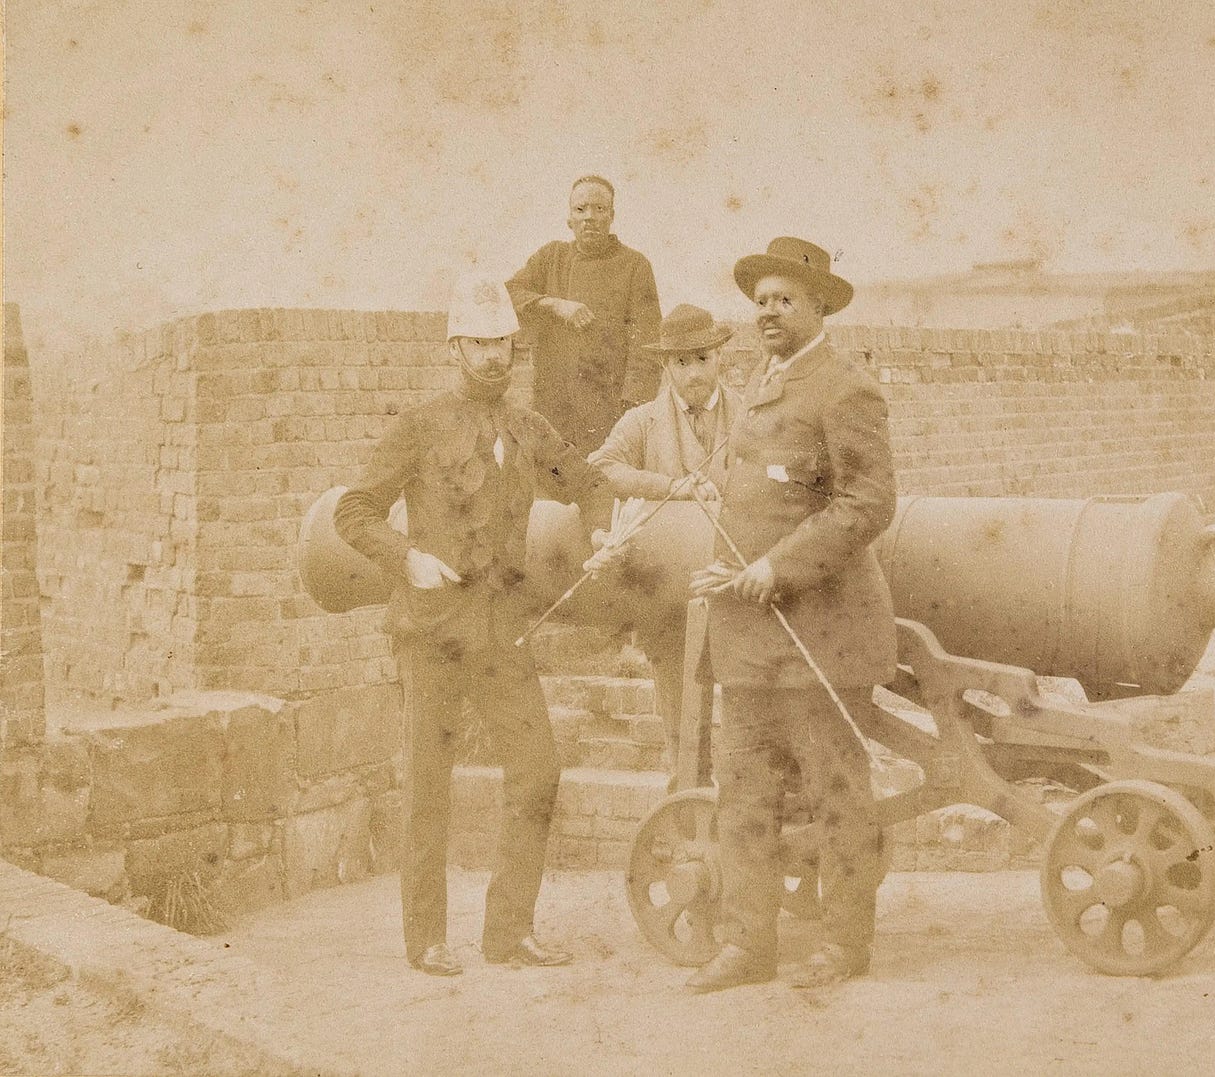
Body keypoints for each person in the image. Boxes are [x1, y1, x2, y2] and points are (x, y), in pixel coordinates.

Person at [334, 271, 620, 976]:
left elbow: (589, 481)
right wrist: (407, 558)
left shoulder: (530, 428)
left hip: (502, 631)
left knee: (538, 769)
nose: (494, 357)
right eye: (479, 344)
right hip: (431, 630)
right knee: (428, 784)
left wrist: (602, 528)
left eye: (503, 344)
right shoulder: (420, 425)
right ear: (454, 348)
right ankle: (427, 939)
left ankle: (509, 932)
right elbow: (354, 511)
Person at [686, 237, 897, 993]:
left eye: (784, 300)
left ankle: (844, 944)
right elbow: (758, 485)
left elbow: (868, 503)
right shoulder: (762, 382)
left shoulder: (846, 388)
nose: (768, 312)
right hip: (748, 635)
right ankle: (748, 945)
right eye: (761, 301)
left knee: (838, 794)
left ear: (818, 308)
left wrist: (778, 567)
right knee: (744, 795)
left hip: (820, 634)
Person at [588, 303, 742, 776]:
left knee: (747, 721)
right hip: (670, 598)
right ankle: (686, 804)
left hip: (739, 586)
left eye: (703, 359)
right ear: (665, 365)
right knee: (680, 719)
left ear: (720, 357)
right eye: (681, 361)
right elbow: (600, 469)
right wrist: (669, 487)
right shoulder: (642, 422)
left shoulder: (750, 416)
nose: (693, 372)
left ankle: (740, 805)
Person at [506, 175, 663, 454]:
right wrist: (555, 304)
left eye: (599, 209)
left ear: (611, 216)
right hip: (554, 405)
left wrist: (633, 413)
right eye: (580, 209)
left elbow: (647, 348)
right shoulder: (551, 257)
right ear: (570, 219)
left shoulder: (634, 265)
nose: (589, 217)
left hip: (608, 411)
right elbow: (508, 293)